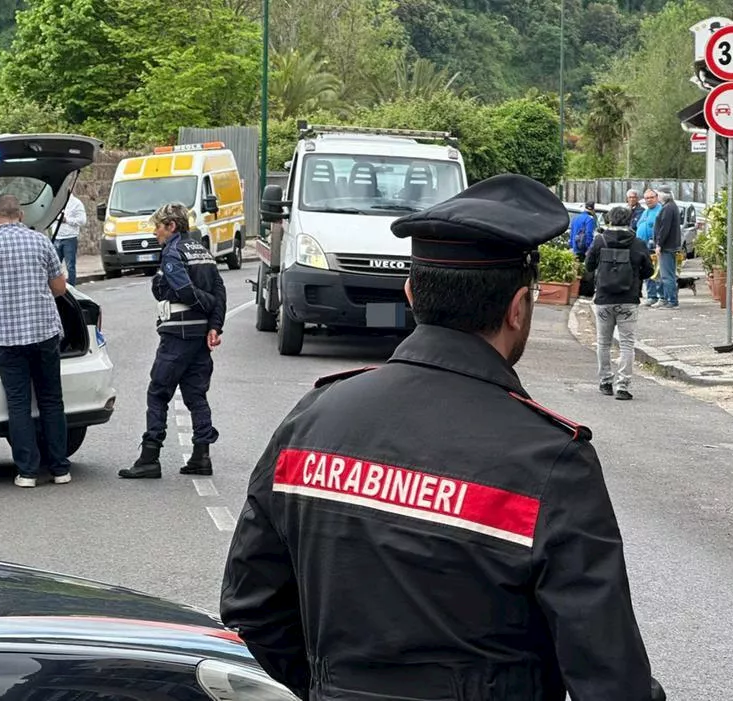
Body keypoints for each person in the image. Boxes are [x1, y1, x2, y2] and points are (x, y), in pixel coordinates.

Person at [220, 173, 664, 701]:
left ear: (411, 293)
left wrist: (331, 685)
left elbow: (252, 609)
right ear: (519, 308)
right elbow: (611, 681)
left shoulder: (313, 419)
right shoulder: (550, 462)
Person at [0, 193, 72, 488]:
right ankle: (61, 469)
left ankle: (27, 472)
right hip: (44, 333)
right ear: (21, 215)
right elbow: (60, 288)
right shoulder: (40, 241)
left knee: (19, 404)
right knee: (51, 400)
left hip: (7, 337)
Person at [119, 203, 226, 480]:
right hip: (199, 335)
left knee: (158, 392)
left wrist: (206, 304)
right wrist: (215, 324)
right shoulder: (202, 250)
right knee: (195, 395)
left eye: (158, 226)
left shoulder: (173, 251)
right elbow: (219, 289)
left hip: (177, 333)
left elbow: (182, 289)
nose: (155, 233)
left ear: (172, 226)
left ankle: (149, 457)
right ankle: (201, 455)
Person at [586, 206, 655, 401]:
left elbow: (589, 265)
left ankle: (605, 382)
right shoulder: (638, 243)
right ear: (630, 220)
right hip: (628, 300)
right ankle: (622, 386)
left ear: (609, 220)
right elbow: (649, 271)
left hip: (604, 299)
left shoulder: (600, 240)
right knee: (626, 344)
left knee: (603, 342)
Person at [653, 190, 682, 309]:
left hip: (667, 246)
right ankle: (667, 299)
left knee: (667, 275)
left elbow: (665, 228)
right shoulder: (672, 206)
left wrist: (659, 244)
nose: (657, 197)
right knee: (667, 274)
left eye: (658, 194)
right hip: (671, 245)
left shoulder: (668, 208)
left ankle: (672, 301)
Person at [53, 191, 87, 285]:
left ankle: (72, 286)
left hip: (70, 238)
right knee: (55, 265)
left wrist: (67, 220)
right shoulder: (55, 203)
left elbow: (82, 220)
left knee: (70, 266)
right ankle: (56, 286)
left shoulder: (76, 203)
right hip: (56, 237)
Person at [636, 189, 662, 306]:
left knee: (658, 273)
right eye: (646, 198)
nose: (649, 200)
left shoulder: (660, 211)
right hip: (643, 247)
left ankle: (662, 297)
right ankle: (651, 296)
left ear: (657, 197)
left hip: (655, 248)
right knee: (648, 273)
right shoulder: (645, 212)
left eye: (651, 197)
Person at [569, 202, 597, 297]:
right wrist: (589, 249)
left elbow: (572, 233)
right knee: (587, 271)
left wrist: (572, 246)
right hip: (583, 249)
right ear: (592, 209)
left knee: (576, 270)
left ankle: (574, 291)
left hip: (575, 248)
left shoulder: (576, 218)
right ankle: (585, 292)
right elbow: (589, 235)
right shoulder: (590, 219)